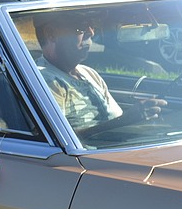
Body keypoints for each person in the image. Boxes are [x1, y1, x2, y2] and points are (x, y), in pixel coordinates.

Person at [34, 11, 165, 136]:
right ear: (51, 34)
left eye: (92, 26)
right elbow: (59, 141)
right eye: (80, 27)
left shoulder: (89, 73)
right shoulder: (44, 80)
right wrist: (126, 121)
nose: (90, 32)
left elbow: (116, 118)